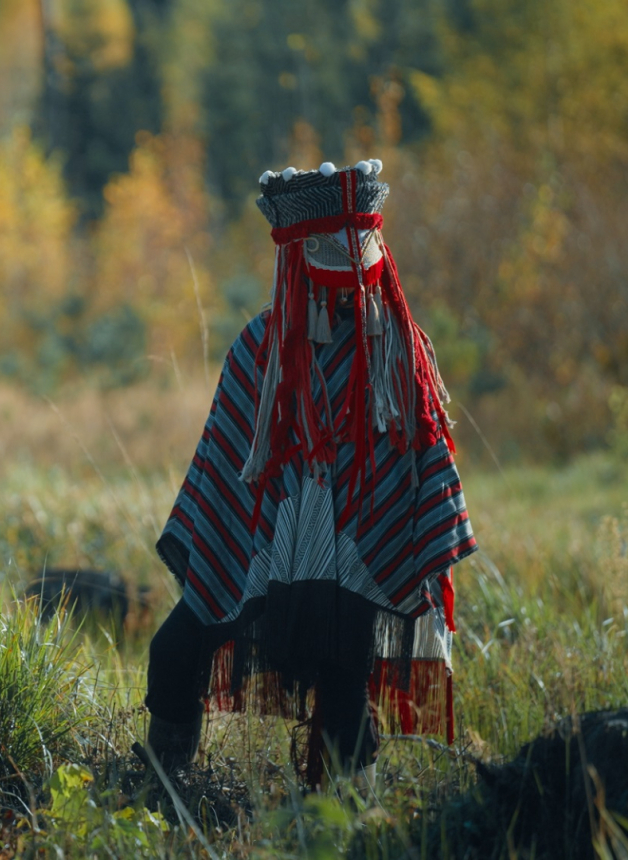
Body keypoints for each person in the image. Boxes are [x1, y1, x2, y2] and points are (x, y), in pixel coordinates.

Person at [143, 160, 477, 787]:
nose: (349, 286)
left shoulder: (399, 349)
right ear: (295, 264)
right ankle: (164, 789)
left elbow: (420, 468)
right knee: (173, 653)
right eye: (333, 273)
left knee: (344, 690)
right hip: (259, 552)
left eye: (359, 271)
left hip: (358, 568)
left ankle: (346, 823)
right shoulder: (259, 349)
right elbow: (227, 471)